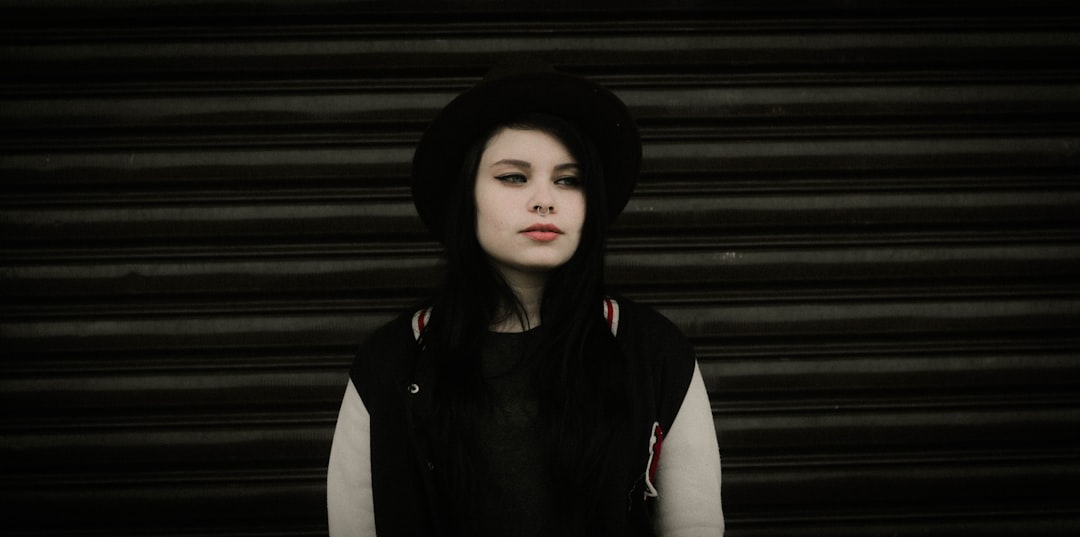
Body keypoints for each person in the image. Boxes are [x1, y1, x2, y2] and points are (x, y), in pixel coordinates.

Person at [327, 59, 724, 537]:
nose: (544, 200)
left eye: (568, 179)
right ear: (465, 196)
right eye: (514, 177)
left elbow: (695, 525)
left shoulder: (653, 352)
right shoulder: (391, 362)